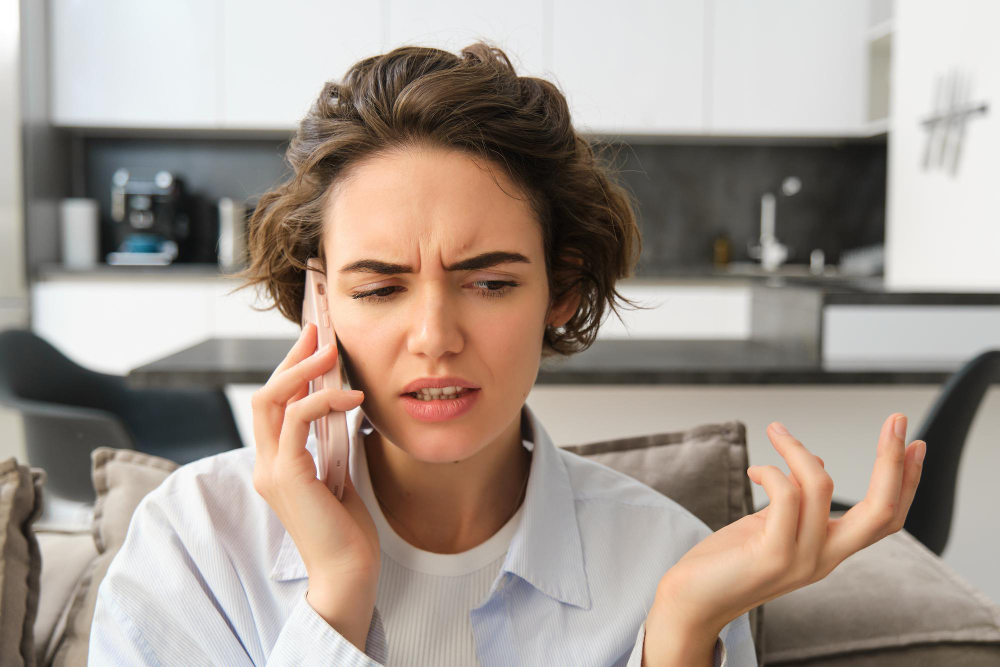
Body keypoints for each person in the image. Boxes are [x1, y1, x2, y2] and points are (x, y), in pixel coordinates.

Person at [89, 42, 924, 667]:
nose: (434, 336)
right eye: (379, 288)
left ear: (560, 291)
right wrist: (336, 599)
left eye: (489, 282)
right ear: (320, 302)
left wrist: (676, 629)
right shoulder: (194, 544)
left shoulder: (672, 561)